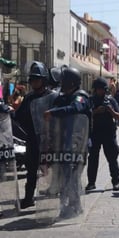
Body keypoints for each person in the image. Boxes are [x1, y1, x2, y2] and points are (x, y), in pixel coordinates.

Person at [43, 67, 91, 218]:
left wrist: (53, 112)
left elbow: (75, 108)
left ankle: (75, 206)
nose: (61, 84)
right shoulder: (64, 97)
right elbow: (56, 106)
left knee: (73, 176)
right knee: (64, 176)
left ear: (70, 82)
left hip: (78, 145)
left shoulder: (80, 96)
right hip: (64, 144)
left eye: (64, 81)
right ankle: (65, 205)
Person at [13, 61, 53, 209]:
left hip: (48, 141)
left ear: (44, 80)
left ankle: (52, 198)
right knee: (31, 170)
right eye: (33, 79)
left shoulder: (52, 97)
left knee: (49, 170)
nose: (35, 82)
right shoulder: (29, 98)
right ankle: (29, 197)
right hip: (32, 139)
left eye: (37, 79)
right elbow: (20, 117)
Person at [85, 77, 119, 192]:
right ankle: (91, 182)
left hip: (109, 133)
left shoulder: (111, 100)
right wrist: (95, 111)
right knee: (93, 159)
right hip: (95, 133)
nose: (101, 91)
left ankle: (115, 181)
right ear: (95, 89)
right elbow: (85, 115)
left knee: (112, 158)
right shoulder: (90, 100)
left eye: (103, 89)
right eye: (99, 89)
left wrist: (110, 111)